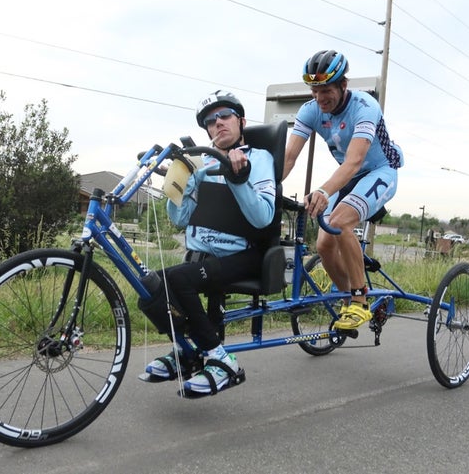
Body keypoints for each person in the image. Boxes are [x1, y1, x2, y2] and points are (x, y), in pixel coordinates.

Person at [142, 90, 277, 395]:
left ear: (241, 120)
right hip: (204, 256)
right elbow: (179, 219)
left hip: (244, 253)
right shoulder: (201, 167)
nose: (218, 123)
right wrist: (180, 182)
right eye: (210, 121)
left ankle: (220, 359)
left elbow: (262, 218)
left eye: (225, 116)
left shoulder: (259, 159)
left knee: (177, 280)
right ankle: (188, 352)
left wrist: (237, 178)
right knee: (149, 290)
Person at [283, 50, 403, 330]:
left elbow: (354, 161)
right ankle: (349, 298)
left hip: (379, 171)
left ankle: (360, 300)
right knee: (324, 244)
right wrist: (266, 187)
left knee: (339, 222)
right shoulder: (310, 110)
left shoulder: (365, 107)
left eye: (326, 90)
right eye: (315, 91)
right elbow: (289, 157)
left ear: (343, 85)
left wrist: (323, 191)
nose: (320, 98)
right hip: (348, 177)